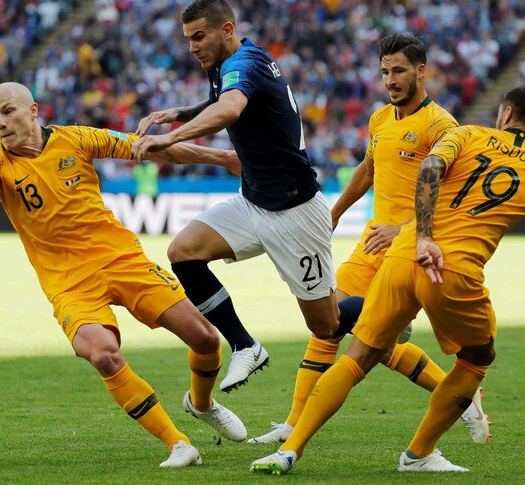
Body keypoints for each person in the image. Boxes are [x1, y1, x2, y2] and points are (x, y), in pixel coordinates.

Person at [251, 84, 525, 475]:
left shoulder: (467, 134)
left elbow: (429, 168)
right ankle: (418, 453)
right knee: (478, 358)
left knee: (357, 356)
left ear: (506, 113)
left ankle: (290, 451)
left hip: (403, 252)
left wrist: (422, 235)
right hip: (452, 271)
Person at [0, 82, 247, 468]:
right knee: (103, 354)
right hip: (69, 283)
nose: (0, 123)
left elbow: (147, 147)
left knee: (206, 338)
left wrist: (221, 157)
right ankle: (178, 443)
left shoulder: (76, 138)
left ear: (33, 110)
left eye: (8, 111)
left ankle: (202, 403)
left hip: (121, 259)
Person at [248, 32, 489, 446]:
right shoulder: (380, 119)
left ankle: (463, 397)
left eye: (398, 71)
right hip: (371, 246)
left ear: (421, 70)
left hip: (411, 250)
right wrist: (335, 213)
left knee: (370, 343)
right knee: (327, 322)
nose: (390, 80)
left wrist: (403, 230)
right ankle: (293, 423)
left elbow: (454, 194)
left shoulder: (440, 125)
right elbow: (367, 169)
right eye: (384, 72)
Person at [133, 0, 363, 393]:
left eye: (199, 36)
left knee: (326, 326)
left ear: (226, 30)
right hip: (253, 201)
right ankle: (245, 345)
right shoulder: (230, 65)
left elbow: (229, 109)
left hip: (296, 213)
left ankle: (386, 310)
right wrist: (178, 113)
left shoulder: (244, 63)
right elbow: (220, 99)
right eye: (188, 38)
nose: (192, 46)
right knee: (183, 252)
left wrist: (170, 137)